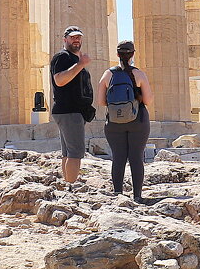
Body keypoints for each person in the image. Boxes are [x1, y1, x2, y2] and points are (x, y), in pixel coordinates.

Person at [97, 40, 155, 204]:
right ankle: (137, 195)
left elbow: (101, 102)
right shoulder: (139, 74)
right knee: (136, 157)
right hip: (138, 120)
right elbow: (148, 100)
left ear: (117, 54)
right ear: (133, 54)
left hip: (114, 122)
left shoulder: (108, 74)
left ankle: (117, 193)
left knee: (118, 157)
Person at [51, 26, 94, 184]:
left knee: (68, 153)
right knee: (75, 153)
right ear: (65, 39)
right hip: (69, 111)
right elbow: (59, 80)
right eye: (72, 37)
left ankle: (68, 184)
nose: (76, 40)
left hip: (71, 111)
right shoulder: (62, 57)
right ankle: (71, 187)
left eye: (78, 37)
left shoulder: (74, 59)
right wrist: (81, 64)